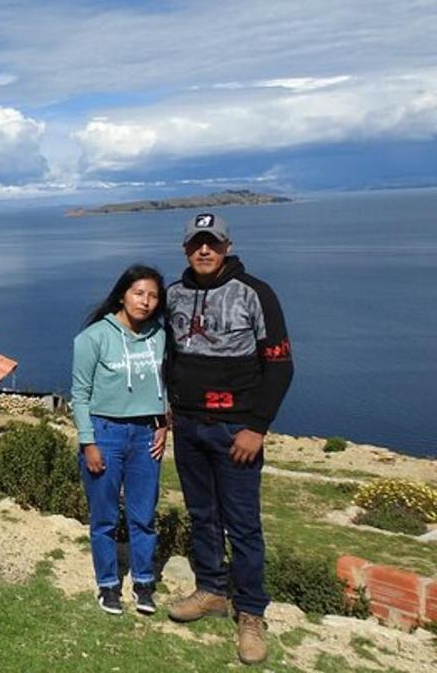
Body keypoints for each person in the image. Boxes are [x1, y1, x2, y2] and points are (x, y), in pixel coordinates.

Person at [165, 213, 293, 665]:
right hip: (189, 427)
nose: (204, 251)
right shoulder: (174, 295)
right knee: (202, 515)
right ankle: (211, 590)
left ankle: (252, 612)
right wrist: (168, 410)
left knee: (242, 523)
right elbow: (168, 354)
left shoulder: (256, 293)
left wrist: (257, 426)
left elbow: (279, 365)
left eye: (212, 243)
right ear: (185, 249)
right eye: (196, 244)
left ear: (227, 245)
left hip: (236, 430)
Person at [71, 264, 169, 616]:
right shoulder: (93, 338)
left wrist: (164, 422)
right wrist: (89, 442)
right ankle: (108, 586)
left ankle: (143, 584)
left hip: (146, 436)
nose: (146, 302)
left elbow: (166, 383)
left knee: (144, 516)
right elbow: (79, 395)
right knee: (105, 518)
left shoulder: (160, 336)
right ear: (122, 294)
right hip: (105, 433)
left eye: (153, 296)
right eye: (139, 293)